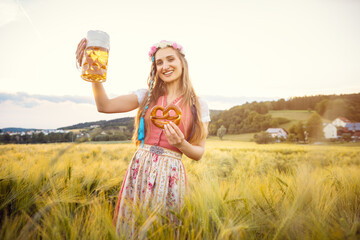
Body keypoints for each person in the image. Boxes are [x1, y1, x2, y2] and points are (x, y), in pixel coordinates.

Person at [76, 39, 210, 237]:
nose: (165, 66)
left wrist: (181, 144)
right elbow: (104, 105)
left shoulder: (198, 104)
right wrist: (94, 72)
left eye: (170, 59)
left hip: (170, 172)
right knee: (132, 226)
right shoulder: (146, 96)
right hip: (140, 168)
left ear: (182, 62)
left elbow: (198, 153)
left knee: (162, 230)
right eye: (159, 62)